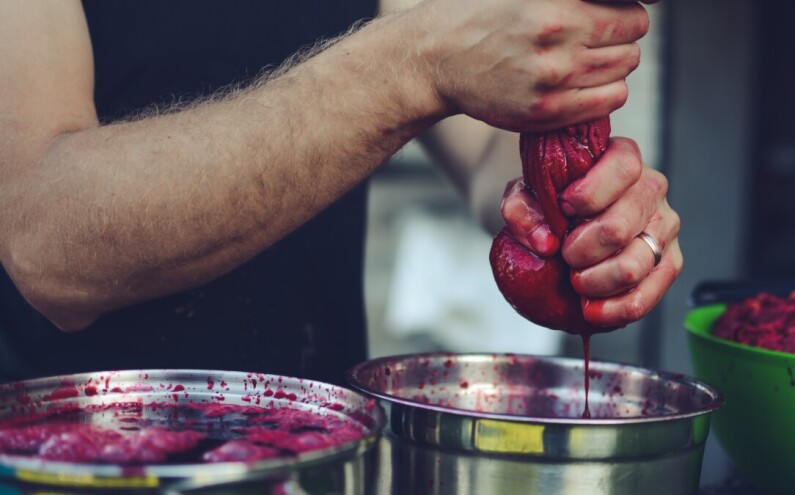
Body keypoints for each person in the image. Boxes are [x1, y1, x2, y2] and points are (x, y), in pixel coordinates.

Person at [0, 0, 682, 385]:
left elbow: (483, 144)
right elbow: (48, 241)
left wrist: (583, 198)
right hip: (72, 456)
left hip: (318, 450)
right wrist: (414, 66)